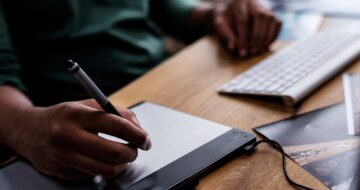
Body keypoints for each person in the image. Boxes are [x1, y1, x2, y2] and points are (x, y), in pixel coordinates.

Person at [0, 0, 281, 180]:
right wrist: (23, 127)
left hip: (169, 90)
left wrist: (213, 14)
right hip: (82, 128)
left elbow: (157, 7)